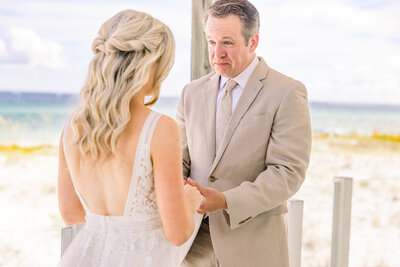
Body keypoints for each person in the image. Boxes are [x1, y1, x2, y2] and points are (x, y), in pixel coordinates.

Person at [57, 9, 202, 267]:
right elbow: (177, 233)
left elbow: (70, 214)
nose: (165, 72)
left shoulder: (72, 125)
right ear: (148, 64)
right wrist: (192, 198)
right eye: (164, 62)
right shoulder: (160, 128)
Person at [177, 0, 312, 266]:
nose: (216, 54)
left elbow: (288, 173)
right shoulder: (190, 93)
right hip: (191, 246)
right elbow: (179, 161)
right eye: (211, 42)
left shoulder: (287, 92)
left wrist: (226, 201)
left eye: (227, 43)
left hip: (253, 245)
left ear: (253, 42)